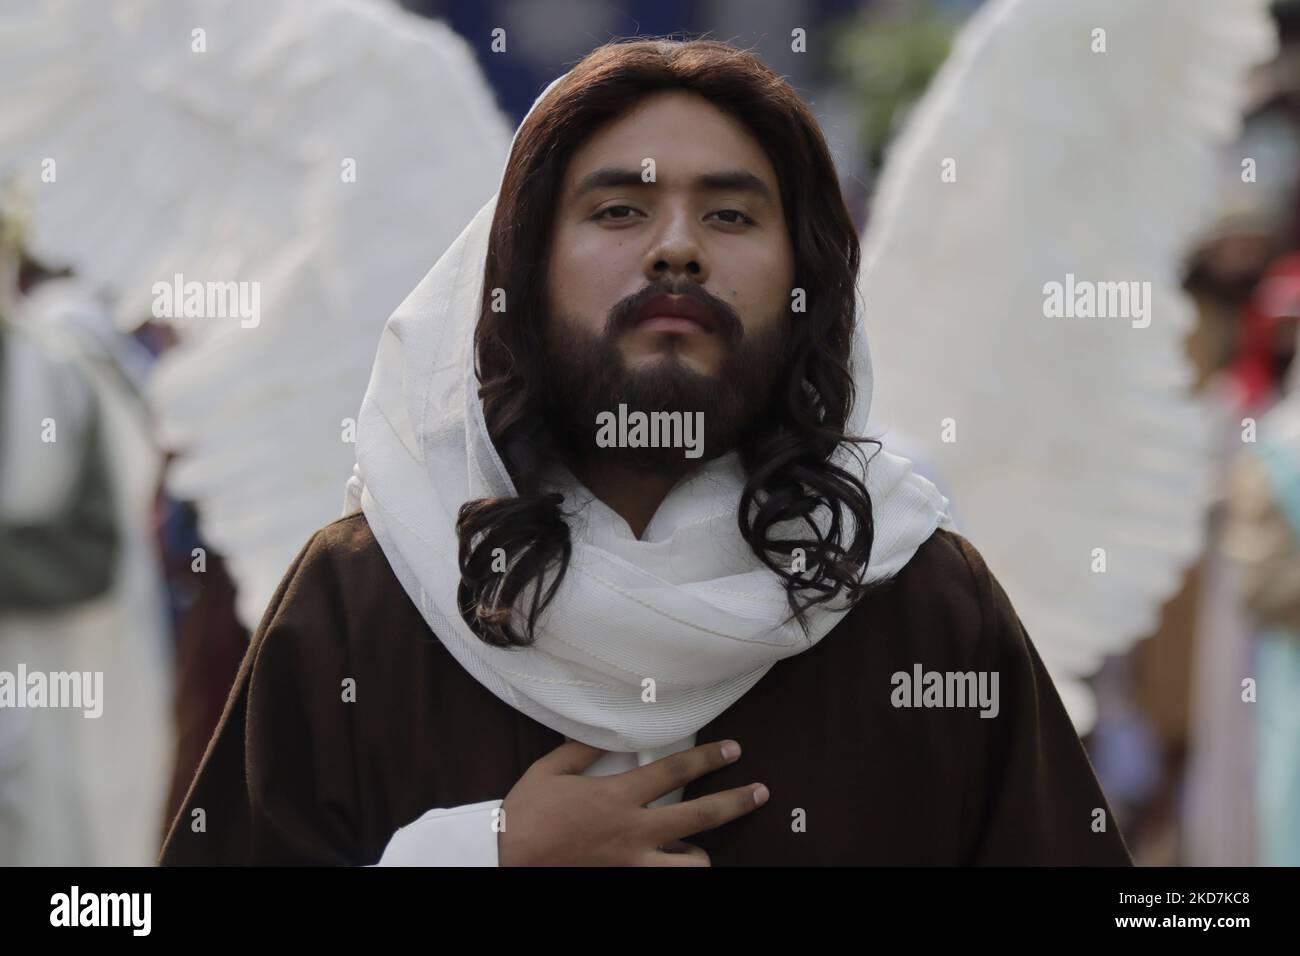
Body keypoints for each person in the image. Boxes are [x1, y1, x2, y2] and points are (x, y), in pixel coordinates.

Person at [160, 38, 1131, 867]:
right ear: (522, 274)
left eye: (731, 215)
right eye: (618, 210)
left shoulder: (915, 598)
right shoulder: (368, 595)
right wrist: (478, 852)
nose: (676, 250)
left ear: (808, 285)